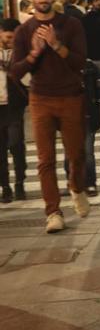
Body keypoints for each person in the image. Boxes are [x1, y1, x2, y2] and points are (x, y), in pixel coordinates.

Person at [8, 0, 89, 233]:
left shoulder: (71, 24)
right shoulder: (24, 31)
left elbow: (79, 62)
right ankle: (53, 212)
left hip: (70, 96)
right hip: (40, 98)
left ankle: (76, 187)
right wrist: (34, 52)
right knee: (45, 160)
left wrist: (55, 44)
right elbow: (15, 71)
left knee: (76, 154)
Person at [0, 18, 29, 203]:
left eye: (14, 37)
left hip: (14, 106)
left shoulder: (21, 53)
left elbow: (28, 78)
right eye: (9, 37)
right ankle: (5, 186)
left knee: (16, 144)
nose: (11, 41)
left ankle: (20, 182)